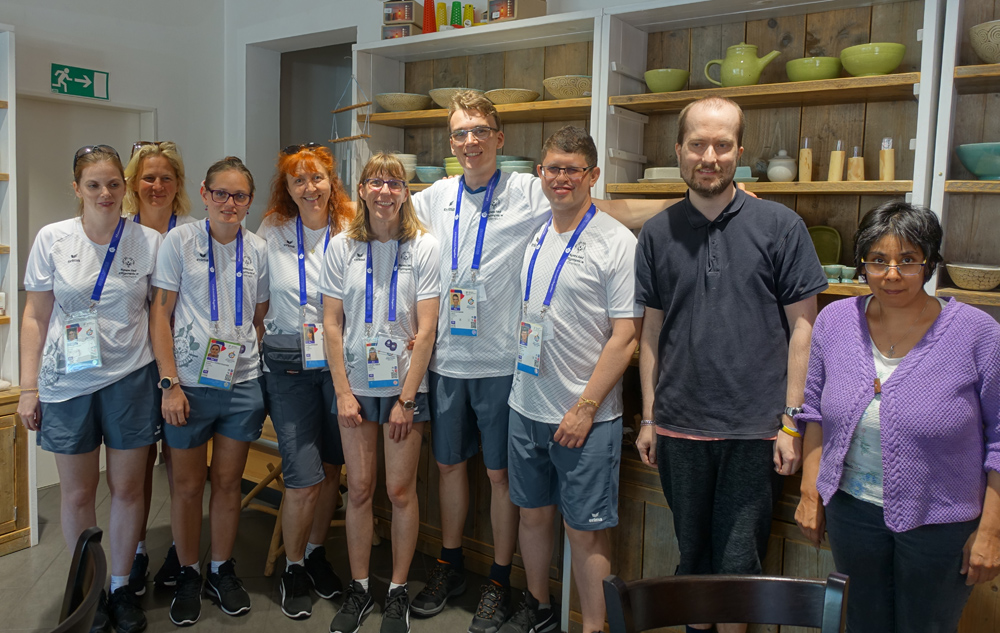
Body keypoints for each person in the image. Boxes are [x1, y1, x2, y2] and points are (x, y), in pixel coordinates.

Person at [408, 91, 679, 631]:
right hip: (468, 370)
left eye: (480, 131)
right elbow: (385, 222)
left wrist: (687, 202)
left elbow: (610, 213)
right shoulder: (438, 197)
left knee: (528, 496)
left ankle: (511, 586)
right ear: (450, 141)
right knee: (465, 477)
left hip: (514, 371)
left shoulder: (533, 194)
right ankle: (485, 580)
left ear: (500, 138)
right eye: (460, 132)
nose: (470, 141)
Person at [634, 96, 827, 633]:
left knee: (739, 569)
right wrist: (649, 417)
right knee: (692, 562)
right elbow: (651, 331)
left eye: (722, 145)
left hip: (755, 431)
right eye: (697, 144)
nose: (709, 156)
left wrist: (792, 422)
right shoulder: (656, 233)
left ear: (740, 152)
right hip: (678, 427)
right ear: (678, 150)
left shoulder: (781, 225)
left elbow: (804, 330)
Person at [794, 202, 1000, 633]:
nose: (891, 274)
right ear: (861, 264)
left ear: (930, 263)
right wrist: (810, 493)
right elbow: (814, 414)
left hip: (942, 522)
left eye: (908, 260)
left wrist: (992, 532)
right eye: (877, 260)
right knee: (862, 623)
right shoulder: (835, 321)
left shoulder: (978, 334)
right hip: (851, 512)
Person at [501, 127, 641, 633]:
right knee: (532, 515)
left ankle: (593, 628)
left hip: (587, 417)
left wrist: (584, 408)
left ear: (593, 175)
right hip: (526, 406)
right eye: (552, 168)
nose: (561, 178)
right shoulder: (536, 231)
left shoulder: (616, 243)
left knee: (585, 532)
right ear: (540, 172)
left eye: (572, 170)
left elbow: (626, 336)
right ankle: (538, 607)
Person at [18, 144, 163, 633]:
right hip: (67, 384)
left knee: (127, 489)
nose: (105, 193)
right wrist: (29, 388)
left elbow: (158, 313)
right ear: (77, 188)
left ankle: (120, 586)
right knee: (78, 493)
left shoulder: (147, 241)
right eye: (94, 185)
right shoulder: (53, 239)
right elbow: (36, 316)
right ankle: (89, 591)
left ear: (125, 187)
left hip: (131, 378)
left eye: (114, 184)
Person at [320, 153, 440, 633]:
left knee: (399, 491)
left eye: (394, 183)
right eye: (375, 182)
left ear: (405, 192)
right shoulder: (341, 247)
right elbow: (331, 324)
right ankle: (359, 588)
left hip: (404, 388)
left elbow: (427, 330)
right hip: (355, 387)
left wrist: (407, 400)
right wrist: (342, 392)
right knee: (361, 489)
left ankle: (397, 591)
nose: (384, 191)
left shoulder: (424, 247)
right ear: (362, 189)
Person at [149, 156, 269, 626]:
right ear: (204, 193)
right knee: (185, 486)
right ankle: (187, 573)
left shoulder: (257, 249)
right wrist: (170, 384)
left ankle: (220, 569)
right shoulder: (179, 242)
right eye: (221, 193)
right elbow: (161, 316)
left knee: (227, 484)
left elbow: (258, 317)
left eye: (239, 195)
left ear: (250, 201)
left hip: (242, 385)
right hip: (189, 388)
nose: (229, 203)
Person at [256, 142, 354, 619]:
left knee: (332, 468)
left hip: (341, 368)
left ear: (331, 182)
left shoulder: (351, 227)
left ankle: (315, 554)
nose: (309, 187)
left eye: (317, 177)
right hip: (288, 368)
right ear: (287, 187)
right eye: (299, 180)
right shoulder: (272, 230)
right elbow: (256, 299)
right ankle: (293, 567)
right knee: (302, 477)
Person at [123, 140, 199, 595]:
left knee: (178, 461)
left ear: (178, 184)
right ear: (134, 183)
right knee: (136, 464)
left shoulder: (190, 233)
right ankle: (134, 551)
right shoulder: (121, 233)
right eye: (148, 177)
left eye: (166, 178)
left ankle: (179, 547)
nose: (157, 185)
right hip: (133, 365)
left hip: (179, 366)